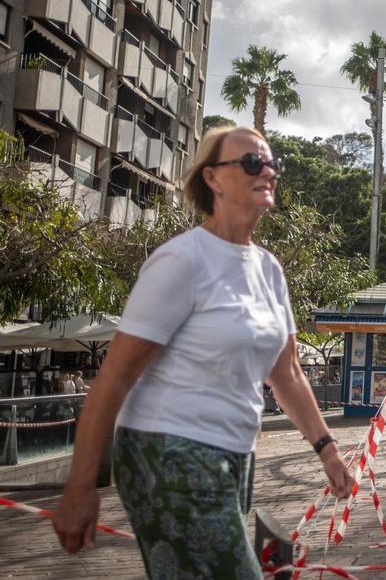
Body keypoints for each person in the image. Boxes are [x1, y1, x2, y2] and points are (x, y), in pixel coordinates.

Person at [52, 126, 354, 578]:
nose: (267, 171)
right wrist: (81, 484)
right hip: (169, 452)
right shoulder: (182, 261)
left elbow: (287, 373)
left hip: (235, 455)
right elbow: (113, 378)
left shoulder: (270, 269)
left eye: (273, 164)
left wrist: (328, 451)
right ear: (213, 178)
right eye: (252, 162)